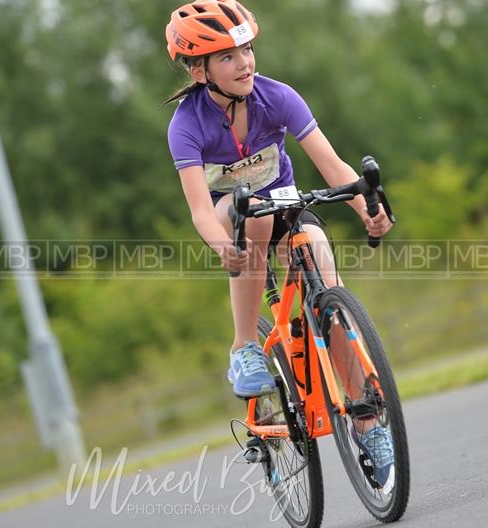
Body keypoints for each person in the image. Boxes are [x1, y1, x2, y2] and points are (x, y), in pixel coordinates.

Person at [164, 1, 394, 484]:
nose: (244, 62)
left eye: (246, 49)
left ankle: (367, 419)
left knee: (328, 288)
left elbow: (334, 168)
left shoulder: (278, 97)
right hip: (234, 216)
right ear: (198, 69)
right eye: (227, 56)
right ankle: (245, 345)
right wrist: (219, 247)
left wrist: (368, 210)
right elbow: (201, 210)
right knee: (258, 219)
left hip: (287, 205)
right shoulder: (186, 125)